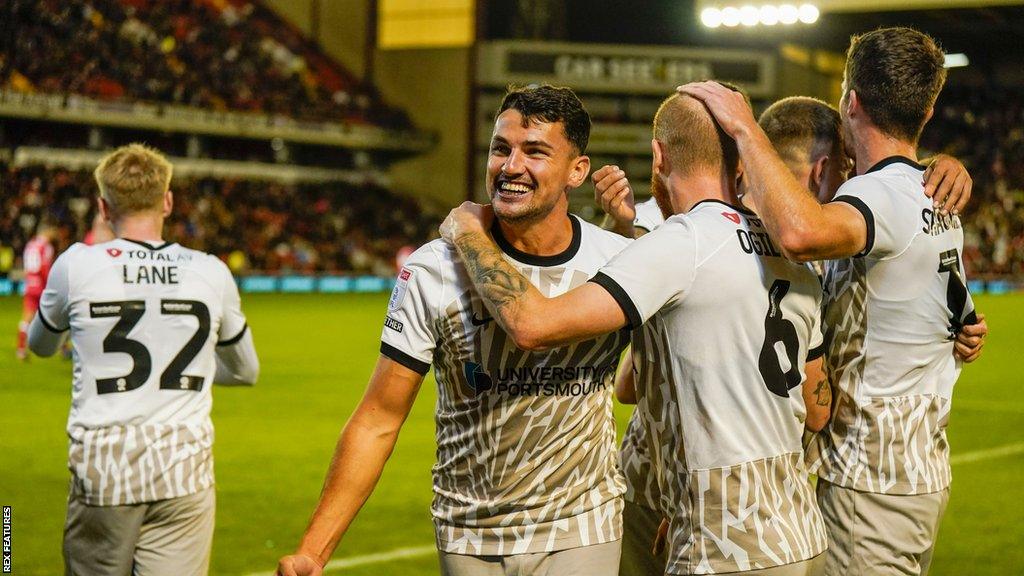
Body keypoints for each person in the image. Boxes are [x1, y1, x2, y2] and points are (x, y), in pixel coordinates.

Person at [593, 95, 986, 576]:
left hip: (713, 502)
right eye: (846, 169)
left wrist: (942, 167)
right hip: (681, 494)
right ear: (824, 171)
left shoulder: (718, 228)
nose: (854, 184)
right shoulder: (723, 236)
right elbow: (630, 386)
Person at [441, 91, 830, 575]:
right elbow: (817, 408)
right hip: (799, 533)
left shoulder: (679, 244)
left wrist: (467, 231)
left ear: (659, 155)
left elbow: (531, 325)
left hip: (727, 549)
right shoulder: (791, 256)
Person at [277, 85, 632, 576]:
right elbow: (378, 417)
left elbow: (661, 388)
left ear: (577, 170)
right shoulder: (432, 269)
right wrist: (313, 550)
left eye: (535, 152)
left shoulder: (615, 260)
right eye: (501, 148)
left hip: (583, 528)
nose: (510, 167)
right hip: (469, 531)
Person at [680, 26, 983, 575]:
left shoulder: (876, 195)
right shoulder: (938, 196)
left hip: (871, 481)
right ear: (929, 108)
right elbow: (954, 313)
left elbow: (800, 233)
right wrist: (962, 333)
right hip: (913, 474)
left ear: (851, 101)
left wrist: (746, 129)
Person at [27, 143, 259, 576]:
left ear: (103, 205)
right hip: (184, 468)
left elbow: (40, 345)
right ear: (167, 201)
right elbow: (246, 371)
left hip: (103, 466)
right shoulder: (210, 270)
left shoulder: (75, 265)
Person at [16, 221, 57, 360]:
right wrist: (49, 284)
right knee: (55, 314)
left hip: (29, 284)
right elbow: (44, 267)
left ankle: (21, 349)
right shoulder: (46, 246)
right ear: (47, 231)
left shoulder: (30, 244)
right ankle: (63, 348)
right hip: (41, 286)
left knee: (27, 317)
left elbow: (27, 266)